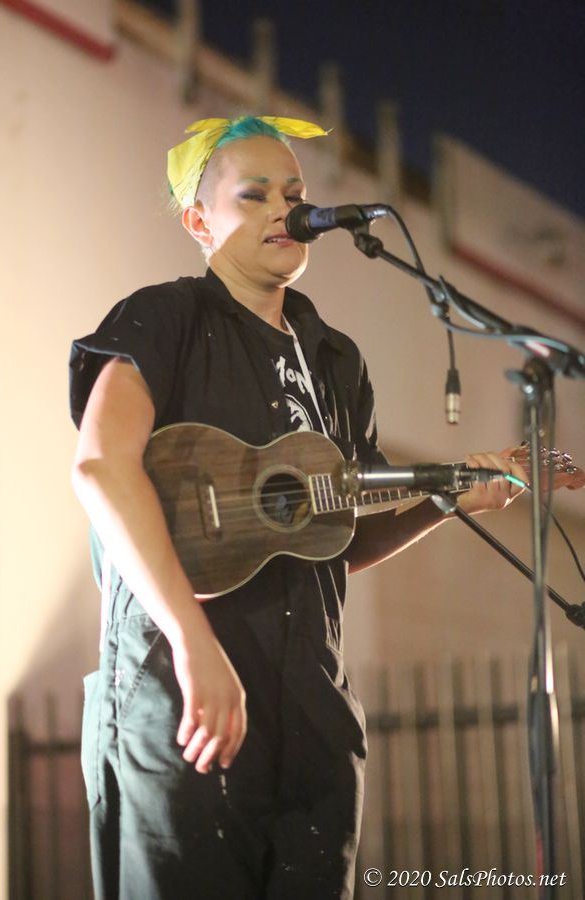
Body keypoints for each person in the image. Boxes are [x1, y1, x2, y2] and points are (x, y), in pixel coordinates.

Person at [69, 115, 526, 900]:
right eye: (255, 195)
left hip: (315, 723)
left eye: (295, 192)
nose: (287, 209)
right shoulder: (164, 317)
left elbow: (337, 531)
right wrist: (193, 644)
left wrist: (445, 501)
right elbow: (101, 466)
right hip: (183, 710)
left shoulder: (336, 359)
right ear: (200, 223)